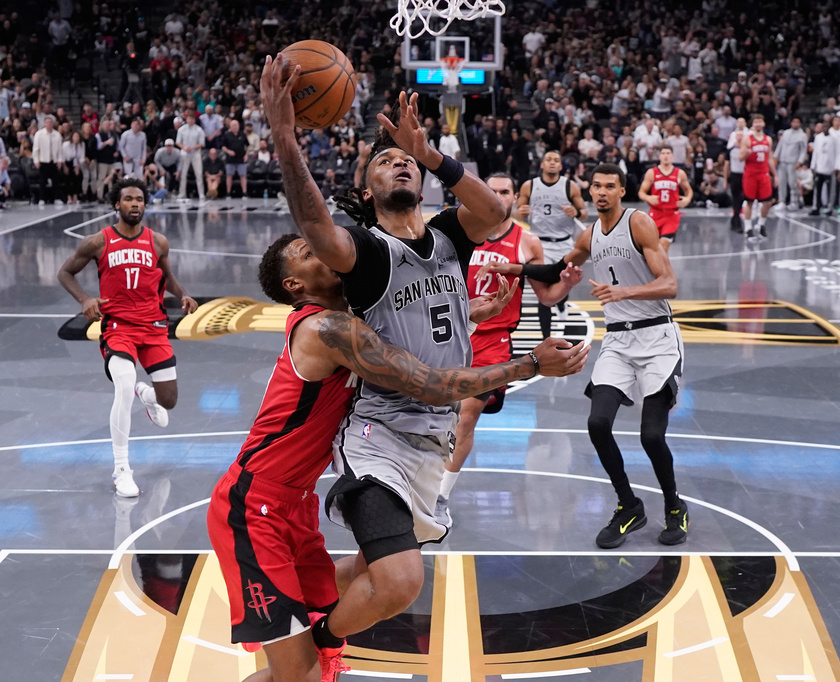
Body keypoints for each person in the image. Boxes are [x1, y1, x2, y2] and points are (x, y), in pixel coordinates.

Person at [207, 233, 587, 682]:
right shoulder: (324, 329)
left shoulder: (347, 320)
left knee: (340, 610)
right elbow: (425, 380)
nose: (326, 250)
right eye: (310, 253)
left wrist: (468, 315)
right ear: (293, 285)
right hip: (254, 505)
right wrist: (529, 365)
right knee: (304, 675)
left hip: (296, 504)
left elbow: (401, 339)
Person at [259, 56, 517, 669]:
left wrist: (431, 154)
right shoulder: (368, 252)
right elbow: (318, 230)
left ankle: (304, 629)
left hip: (433, 432)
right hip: (378, 431)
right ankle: (320, 646)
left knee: (379, 571)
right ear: (368, 190)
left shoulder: (451, 233)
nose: (397, 161)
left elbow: (497, 215)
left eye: (403, 159)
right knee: (400, 584)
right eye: (383, 161)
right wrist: (284, 136)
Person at [478, 164, 688, 549]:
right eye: (597, 186)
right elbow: (558, 268)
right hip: (619, 343)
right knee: (597, 424)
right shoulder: (590, 234)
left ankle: (675, 507)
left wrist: (624, 292)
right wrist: (516, 268)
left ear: (622, 190)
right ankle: (629, 506)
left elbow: (669, 284)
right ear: (589, 191)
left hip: (658, 338)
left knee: (652, 435)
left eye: (610, 186)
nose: (602, 192)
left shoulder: (638, 223)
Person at [434, 173, 586, 527]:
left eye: (505, 192)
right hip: (450, 335)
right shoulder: (456, 231)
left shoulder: (526, 241)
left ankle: (440, 497)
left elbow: (546, 296)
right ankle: (422, 478)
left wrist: (564, 284)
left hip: (494, 342)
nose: (499, 198)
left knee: (466, 414)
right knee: (435, 415)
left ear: (516, 198)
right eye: (493, 191)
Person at [57, 179, 198, 497]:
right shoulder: (98, 241)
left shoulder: (158, 242)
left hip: (153, 328)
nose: (135, 204)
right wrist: (84, 299)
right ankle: (122, 469)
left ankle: (146, 395)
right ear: (116, 205)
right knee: (121, 387)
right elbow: (65, 273)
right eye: (128, 199)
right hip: (118, 328)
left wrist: (183, 294)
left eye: (140, 199)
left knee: (169, 402)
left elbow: (167, 275)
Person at [515, 150, 589, 338]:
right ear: (542, 164)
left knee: (563, 283)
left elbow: (584, 212)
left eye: (556, 160)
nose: (552, 163)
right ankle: (546, 338)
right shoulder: (529, 186)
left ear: (561, 166)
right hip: (540, 245)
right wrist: (520, 212)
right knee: (544, 293)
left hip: (564, 244)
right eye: (548, 159)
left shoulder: (570, 186)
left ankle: (562, 304)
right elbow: (517, 213)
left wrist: (576, 213)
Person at [637, 146, 692, 253]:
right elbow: (641, 193)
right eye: (663, 153)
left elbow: (688, 190)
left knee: (664, 245)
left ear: (672, 156)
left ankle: (662, 269)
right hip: (656, 213)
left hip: (671, 215)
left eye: (668, 153)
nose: (665, 156)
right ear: (659, 156)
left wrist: (687, 199)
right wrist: (649, 197)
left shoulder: (679, 173)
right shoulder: (652, 172)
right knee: (652, 246)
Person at [739, 114, 776, 241]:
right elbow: (740, 158)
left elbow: (770, 158)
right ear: (752, 125)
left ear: (764, 124)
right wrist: (746, 153)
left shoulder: (768, 139)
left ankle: (761, 224)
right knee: (749, 201)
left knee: (768, 201)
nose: (758, 124)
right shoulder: (747, 139)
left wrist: (775, 174)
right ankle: (748, 228)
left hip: (763, 174)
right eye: (756, 122)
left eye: (760, 121)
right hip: (750, 174)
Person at [176, 112, 206, 201]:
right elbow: (178, 142)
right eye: (189, 119)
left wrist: (193, 147)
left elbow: (202, 143)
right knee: (183, 174)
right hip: (184, 153)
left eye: (192, 119)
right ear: (186, 119)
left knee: (199, 174)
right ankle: (182, 193)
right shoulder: (181, 129)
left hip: (195, 153)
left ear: (195, 120)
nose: (190, 120)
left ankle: (201, 193)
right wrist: (184, 147)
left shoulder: (199, 130)